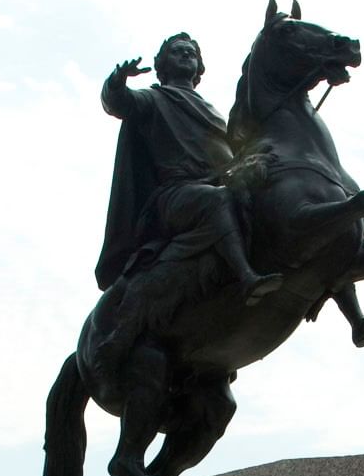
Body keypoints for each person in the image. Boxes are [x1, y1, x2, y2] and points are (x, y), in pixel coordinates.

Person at [96, 33, 280, 303]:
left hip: (218, 181)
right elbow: (119, 102)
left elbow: (234, 154)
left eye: (190, 53)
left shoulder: (214, 111)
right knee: (217, 199)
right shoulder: (153, 99)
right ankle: (246, 276)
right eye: (177, 52)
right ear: (162, 65)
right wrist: (116, 81)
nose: (185, 55)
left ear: (199, 67)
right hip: (175, 195)